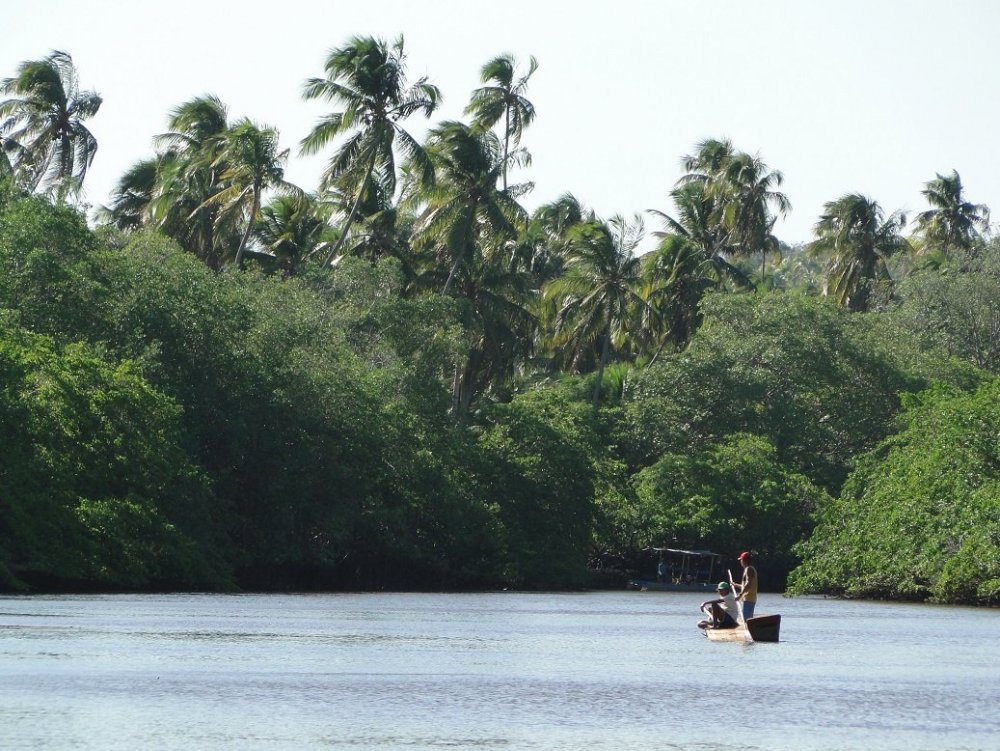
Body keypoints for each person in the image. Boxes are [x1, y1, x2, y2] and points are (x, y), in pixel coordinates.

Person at [734, 551, 758, 620]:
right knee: (746, 619)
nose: (740, 562)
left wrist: (740, 595)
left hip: (749, 598)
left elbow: (749, 583)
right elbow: (746, 585)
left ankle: (748, 630)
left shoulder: (749, 569)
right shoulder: (748, 569)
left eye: (741, 560)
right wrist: (736, 585)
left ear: (745, 560)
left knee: (746, 619)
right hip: (748, 598)